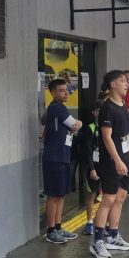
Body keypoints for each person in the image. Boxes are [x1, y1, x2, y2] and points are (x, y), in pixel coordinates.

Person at [90, 70, 129, 258]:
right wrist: (117, 160)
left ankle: (113, 236)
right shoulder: (107, 108)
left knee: (120, 197)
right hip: (111, 162)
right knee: (108, 200)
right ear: (112, 84)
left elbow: (124, 135)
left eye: (127, 81)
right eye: (123, 81)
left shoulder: (123, 105)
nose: (127, 84)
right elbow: (107, 137)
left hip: (125, 159)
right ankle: (97, 242)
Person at [40, 78, 83, 244]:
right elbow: (74, 125)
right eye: (61, 90)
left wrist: (76, 125)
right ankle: (51, 230)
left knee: (61, 194)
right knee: (53, 195)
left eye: (66, 90)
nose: (66, 93)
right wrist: (79, 122)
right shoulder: (56, 108)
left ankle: (58, 227)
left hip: (63, 156)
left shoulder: (61, 108)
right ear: (52, 93)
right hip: (54, 158)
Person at [74, 102, 102, 235]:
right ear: (94, 112)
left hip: (105, 166)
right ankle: (89, 222)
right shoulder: (89, 128)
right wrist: (91, 168)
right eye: (99, 111)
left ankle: (105, 223)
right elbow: (87, 150)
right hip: (93, 166)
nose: (101, 113)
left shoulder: (107, 127)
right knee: (91, 193)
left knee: (106, 195)